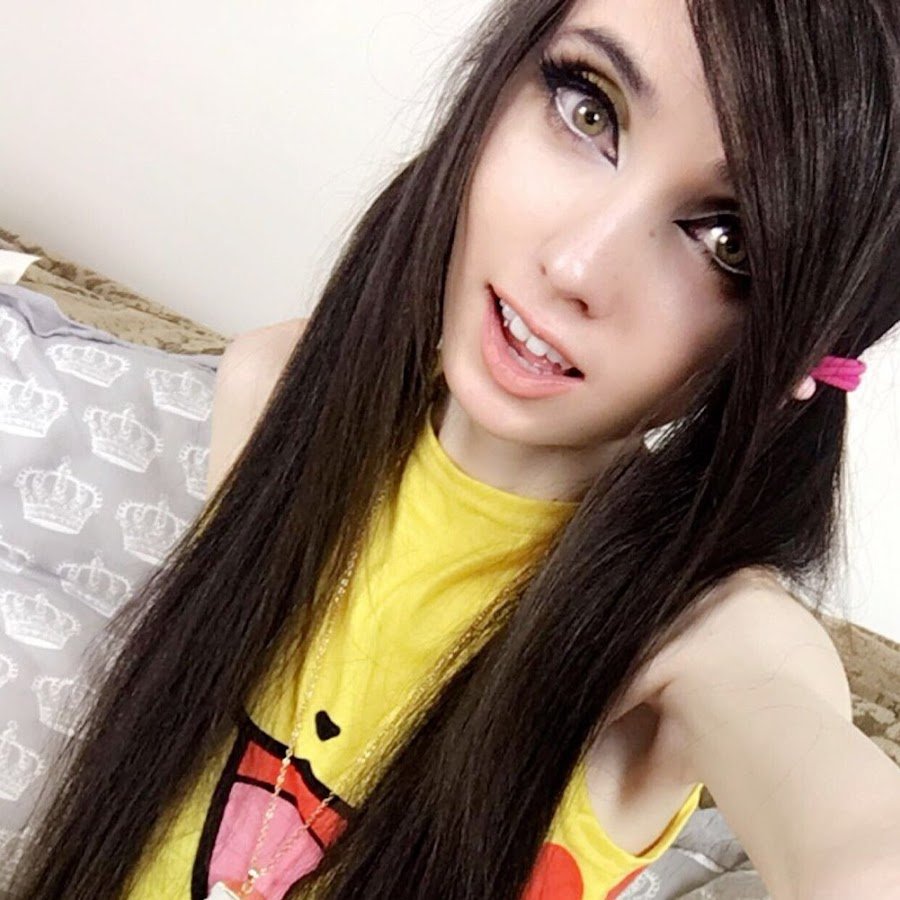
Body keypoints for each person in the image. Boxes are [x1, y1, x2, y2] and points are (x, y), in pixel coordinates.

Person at [13, 0, 900, 897]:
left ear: (801, 356)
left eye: (728, 239)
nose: (576, 266)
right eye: (589, 108)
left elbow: (859, 844)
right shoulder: (269, 389)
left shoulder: (707, 641)